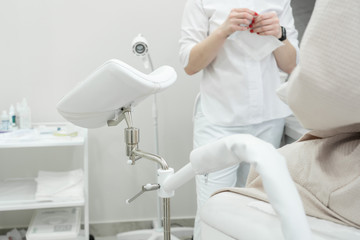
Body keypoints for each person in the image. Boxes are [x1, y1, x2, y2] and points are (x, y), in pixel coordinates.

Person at [178, 0, 299, 239]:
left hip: (268, 119)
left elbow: (291, 65)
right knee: (212, 210)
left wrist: (279, 34)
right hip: (218, 118)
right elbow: (190, 65)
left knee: (255, 210)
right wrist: (223, 31)